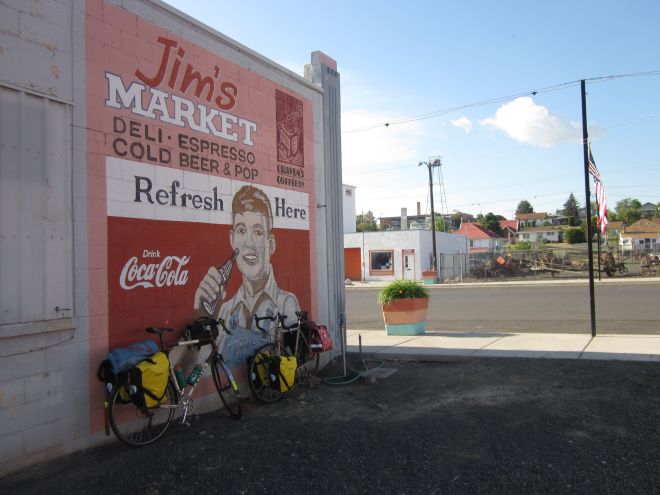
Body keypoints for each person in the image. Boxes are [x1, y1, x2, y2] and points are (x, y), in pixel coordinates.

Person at [193, 185, 300, 331]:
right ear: (232, 239)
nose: (249, 243)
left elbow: (291, 349)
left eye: (258, 232)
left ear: (271, 244)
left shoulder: (286, 303)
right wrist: (201, 315)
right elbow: (203, 352)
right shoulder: (225, 310)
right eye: (241, 230)